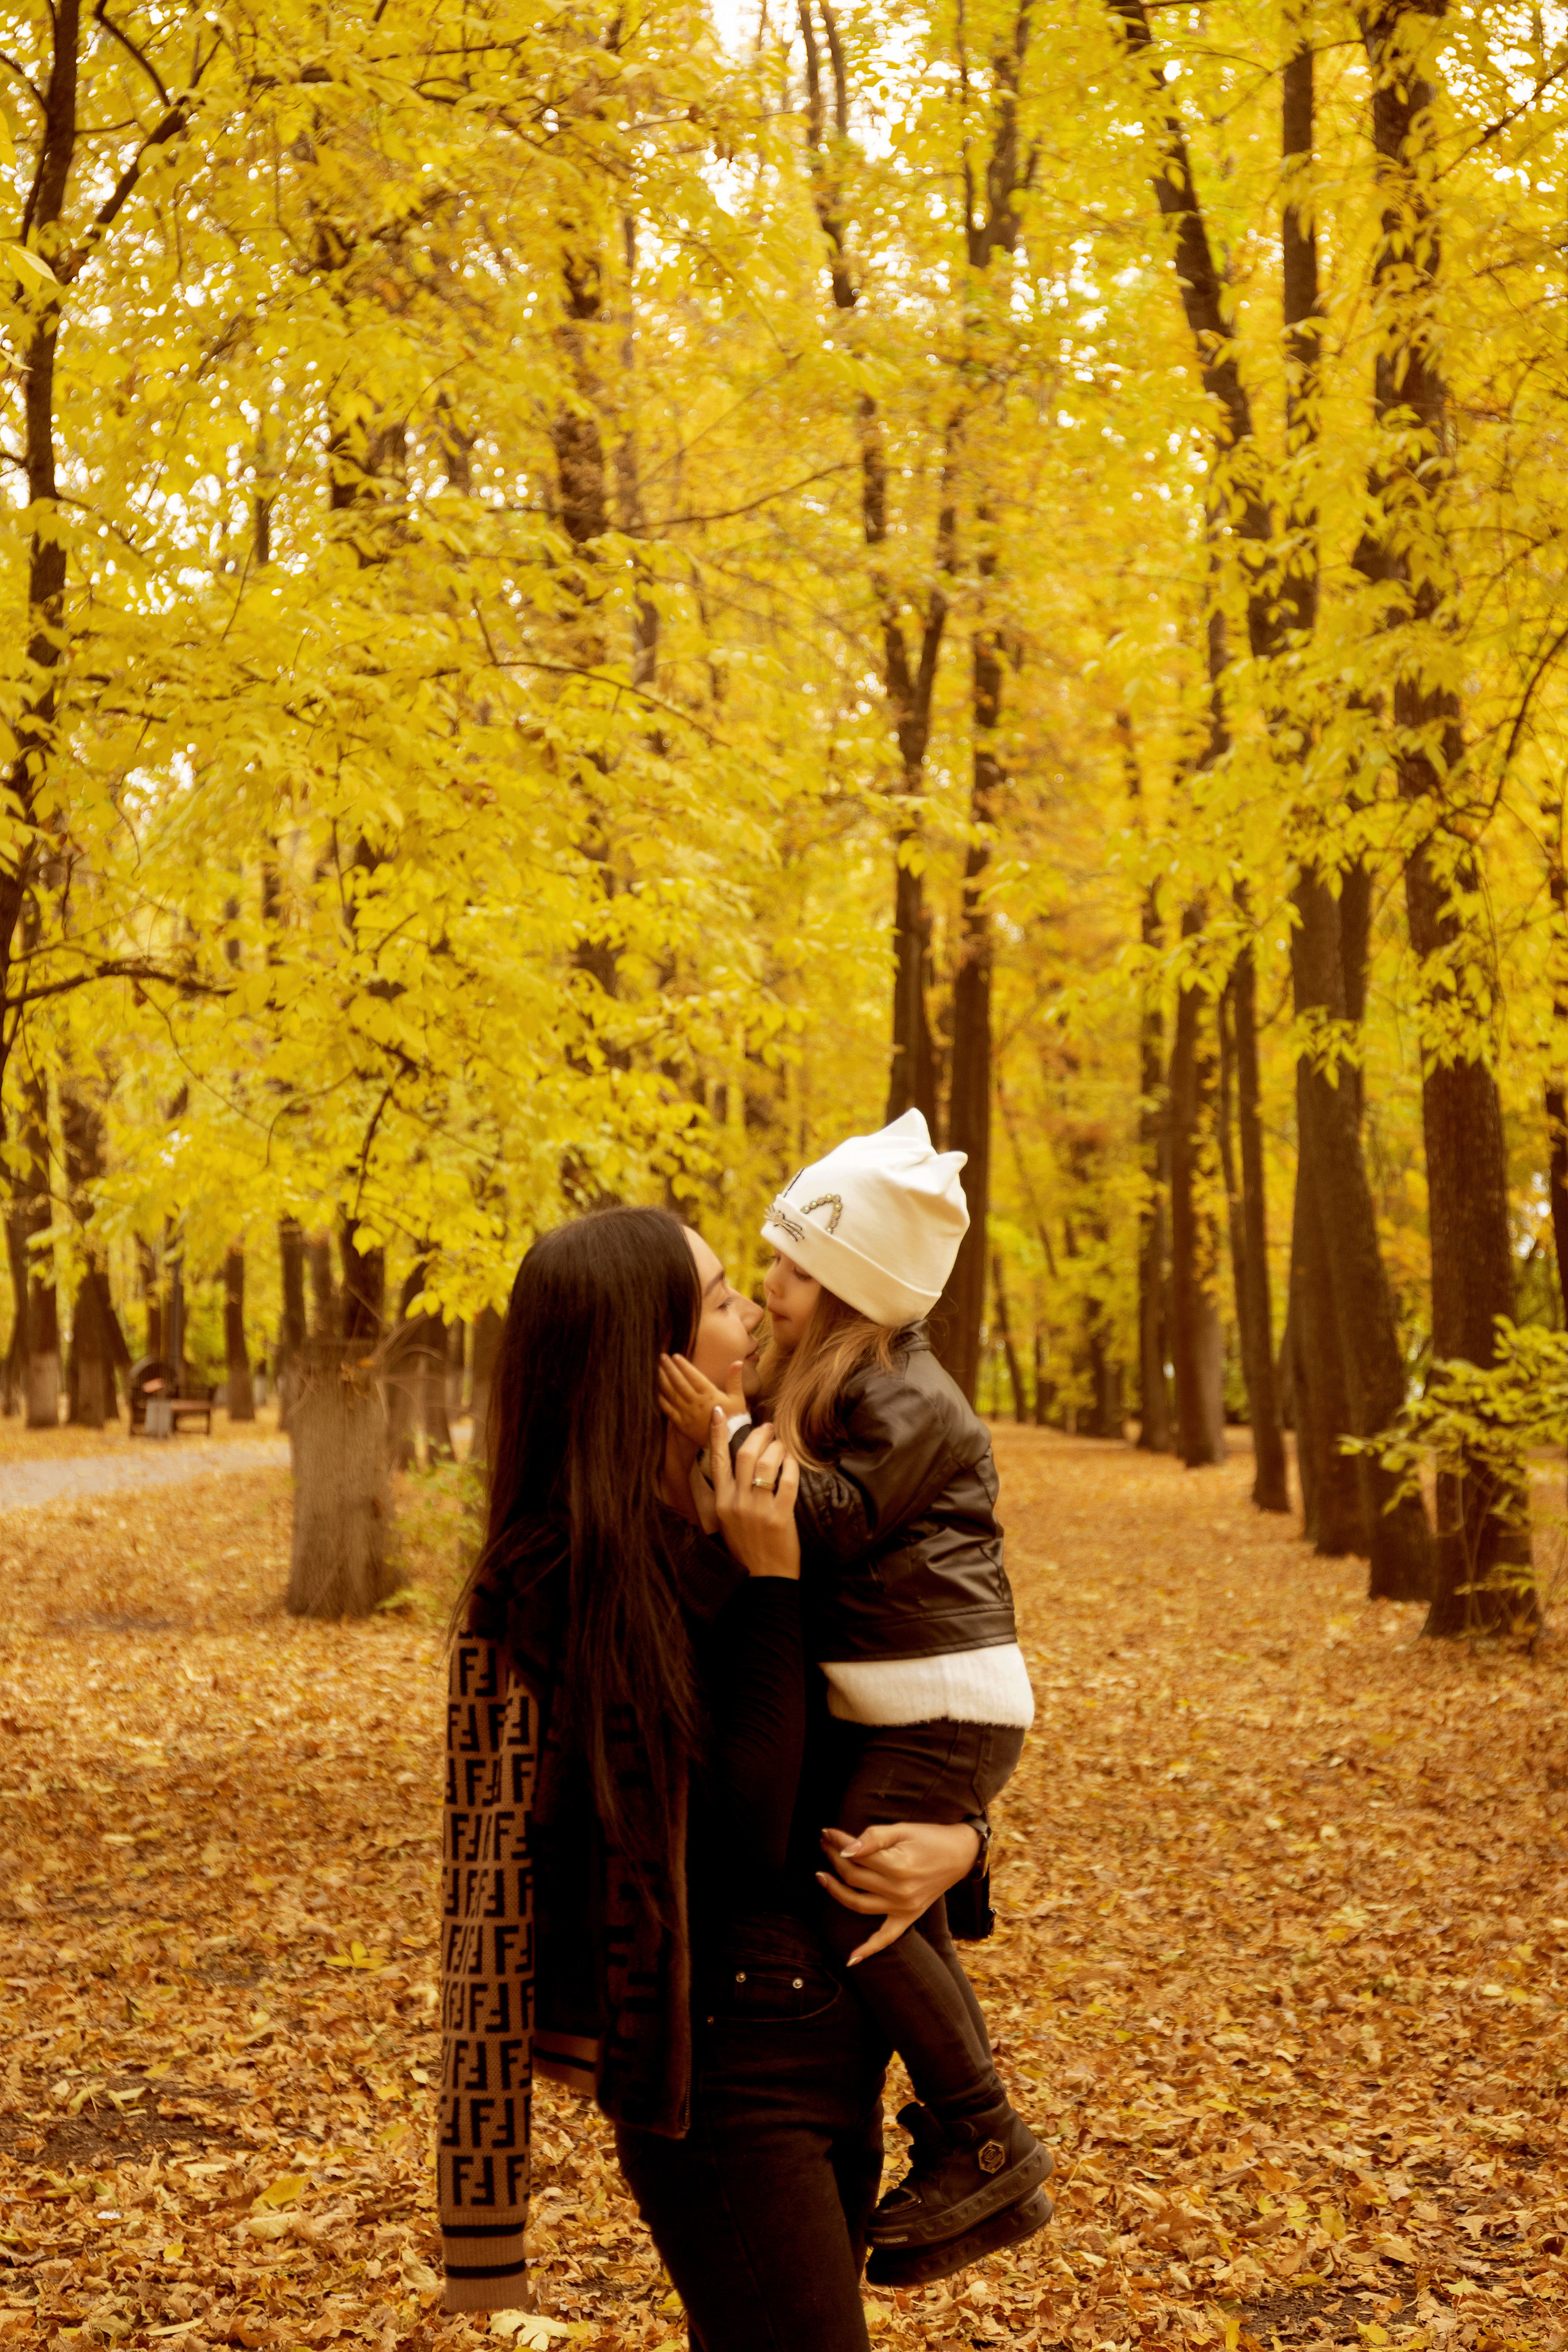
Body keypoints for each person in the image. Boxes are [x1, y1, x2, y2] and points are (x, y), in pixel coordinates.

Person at [439, 1204, 984, 2352]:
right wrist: (771, 1586)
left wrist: (964, 1844)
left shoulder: (763, 1494)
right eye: (726, 1298)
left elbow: (902, 1727)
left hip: (842, 2043)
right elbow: (736, 1833)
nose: (757, 1317)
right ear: (655, 1359)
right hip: (727, 2075)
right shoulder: (559, 1582)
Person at [658, 1110, 1050, 2264]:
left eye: (793, 1267)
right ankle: (973, 2144)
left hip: (941, 1693)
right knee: (887, 1899)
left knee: (852, 1895)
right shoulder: (843, 1388)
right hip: (908, 1693)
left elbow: (821, 1529)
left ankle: (982, 2134)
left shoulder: (910, 1398)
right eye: (768, 1264)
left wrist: (727, 1429)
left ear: (851, 1290)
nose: (769, 1287)